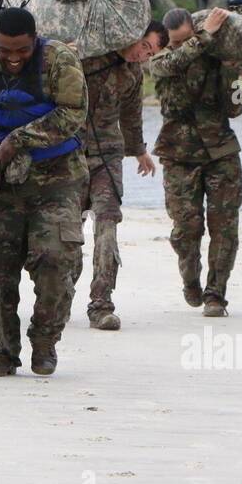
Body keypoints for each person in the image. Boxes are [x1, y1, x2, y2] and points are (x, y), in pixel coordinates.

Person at [0, 7, 87, 377]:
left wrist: (20, 138)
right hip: (1, 182)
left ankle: (44, 342)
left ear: (34, 41)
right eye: (6, 50)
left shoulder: (59, 60)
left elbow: (73, 113)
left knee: (55, 261)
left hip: (57, 179)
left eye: (22, 51)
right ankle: (3, 351)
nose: (13, 59)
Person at [150, 7, 242, 317]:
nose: (180, 45)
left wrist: (231, 71)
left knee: (225, 227)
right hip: (179, 155)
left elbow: (235, 110)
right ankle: (190, 278)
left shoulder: (214, 57)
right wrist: (204, 37)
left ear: (193, 30)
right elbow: (177, 61)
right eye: (175, 41)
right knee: (186, 228)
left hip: (221, 151)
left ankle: (216, 294)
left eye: (185, 39)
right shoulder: (160, 60)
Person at [73, 21, 167, 330]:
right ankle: (58, 293)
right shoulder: (90, 53)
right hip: (69, 153)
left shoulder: (134, 74)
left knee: (108, 221)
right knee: (67, 230)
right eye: (144, 47)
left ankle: (102, 303)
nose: (143, 56)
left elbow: (131, 114)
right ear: (134, 36)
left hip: (108, 155)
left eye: (150, 54)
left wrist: (139, 150)